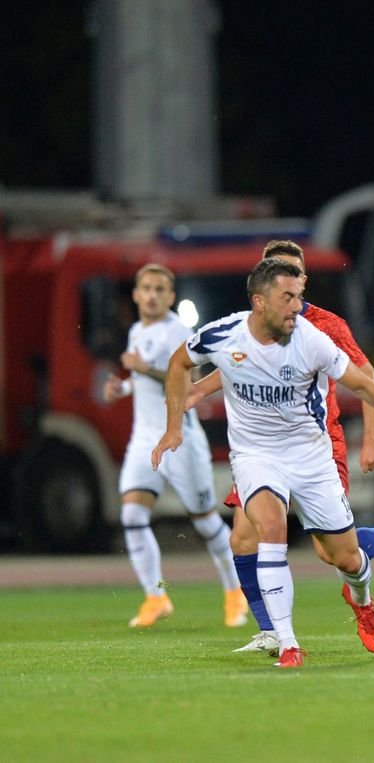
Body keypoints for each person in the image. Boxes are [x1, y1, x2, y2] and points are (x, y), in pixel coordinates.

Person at [152, 258, 374, 668]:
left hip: (311, 456)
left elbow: (365, 383)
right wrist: (173, 426)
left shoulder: (315, 337)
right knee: (263, 530)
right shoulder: (224, 333)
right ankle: (286, 643)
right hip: (256, 456)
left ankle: (363, 595)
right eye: (288, 297)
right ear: (259, 301)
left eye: (300, 295)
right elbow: (181, 362)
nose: (297, 305)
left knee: (342, 557)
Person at [101, 263, 246, 629]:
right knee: (132, 516)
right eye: (145, 288)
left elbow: (187, 377)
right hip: (144, 437)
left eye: (159, 289)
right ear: (135, 294)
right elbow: (147, 380)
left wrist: (143, 367)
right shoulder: (136, 330)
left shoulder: (178, 331)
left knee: (205, 520)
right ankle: (155, 597)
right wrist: (125, 386)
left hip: (181, 438)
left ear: (170, 296)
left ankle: (235, 591)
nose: (151, 295)